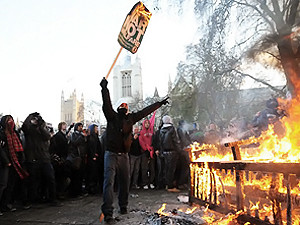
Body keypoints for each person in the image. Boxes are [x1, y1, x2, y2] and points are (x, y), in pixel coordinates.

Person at [99, 77, 168, 223]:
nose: (124, 106)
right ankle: (108, 213)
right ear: (118, 108)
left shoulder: (131, 118)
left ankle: (123, 206)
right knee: (109, 183)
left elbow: (145, 111)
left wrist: (159, 104)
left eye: (126, 105)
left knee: (125, 181)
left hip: (124, 155)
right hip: (111, 154)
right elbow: (106, 103)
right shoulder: (111, 117)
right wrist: (104, 88)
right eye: (122, 105)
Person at [22, 112, 61, 206]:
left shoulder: (42, 128)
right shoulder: (29, 130)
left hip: (44, 157)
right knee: (34, 180)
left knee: (50, 178)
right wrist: (30, 116)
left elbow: (47, 136)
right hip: (34, 158)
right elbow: (24, 127)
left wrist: (40, 124)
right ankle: (33, 198)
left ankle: (52, 198)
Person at [0, 115, 29, 214]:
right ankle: (3, 205)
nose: (11, 122)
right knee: (5, 184)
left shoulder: (15, 133)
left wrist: (21, 158)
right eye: (8, 120)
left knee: (13, 184)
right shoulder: (2, 134)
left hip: (17, 161)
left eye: (11, 120)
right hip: (8, 162)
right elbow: (2, 149)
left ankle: (9, 203)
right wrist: (6, 161)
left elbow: (20, 147)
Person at [49, 122, 73, 199]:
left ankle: (61, 192)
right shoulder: (58, 136)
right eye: (63, 125)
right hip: (60, 158)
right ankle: (59, 193)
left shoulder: (63, 135)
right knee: (61, 177)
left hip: (63, 158)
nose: (65, 126)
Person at [159, 115, 181, 193]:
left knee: (166, 169)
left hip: (164, 152)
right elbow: (176, 140)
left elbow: (160, 142)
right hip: (172, 152)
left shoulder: (161, 130)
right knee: (171, 170)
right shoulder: (172, 129)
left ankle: (166, 185)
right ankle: (170, 186)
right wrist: (179, 150)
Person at [69, 122, 88, 197]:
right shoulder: (74, 135)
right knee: (77, 175)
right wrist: (81, 136)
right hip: (77, 157)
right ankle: (75, 192)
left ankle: (80, 190)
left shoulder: (82, 135)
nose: (81, 127)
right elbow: (74, 143)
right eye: (80, 126)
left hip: (82, 157)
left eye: (82, 126)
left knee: (81, 175)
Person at [139, 114, 156, 189]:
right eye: (146, 123)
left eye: (148, 123)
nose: (147, 124)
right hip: (145, 152)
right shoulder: (141, 132)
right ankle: (145, 182)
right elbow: (141, 141)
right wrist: (146, 149)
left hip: (151, 151)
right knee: (144, 168)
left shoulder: (152, 131)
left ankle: (151, 182)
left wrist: (152, 148)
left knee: (152, 168)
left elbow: (154, 140)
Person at [86, 124, 103, 195]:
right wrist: (93, 155)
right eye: (95, 128)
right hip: (93, 159)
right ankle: (92, 189)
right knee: (92, 174)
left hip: (96, 158)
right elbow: (90, 148)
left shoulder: (95, 137)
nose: (97, 130)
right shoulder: (90, 138)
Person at [176, 120, 191, 189]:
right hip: (183, 151)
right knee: (185, 167)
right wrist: (187, 146)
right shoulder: (180, 130)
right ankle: (182, 183)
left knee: (185, 167)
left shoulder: (183, 130)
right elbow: (183, 140)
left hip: (184, 150)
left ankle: (183, 182)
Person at [129, 126, 142, 190]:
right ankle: (128, 184)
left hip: (138, 155)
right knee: (131, 170)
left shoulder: (140, 137)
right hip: (132, 155)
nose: (136, 131)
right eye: (135, 129)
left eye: (137, 129)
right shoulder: (130, 136)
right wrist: (133, 139)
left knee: (136, 171)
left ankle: (135, 184)